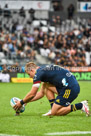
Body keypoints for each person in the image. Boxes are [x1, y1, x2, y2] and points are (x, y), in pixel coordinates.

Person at [14, 62, 90, 116]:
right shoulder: (43, 70)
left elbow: (32, 93)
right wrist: (25, 101)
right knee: (46, 86)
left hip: (69, 88)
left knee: (55, 113)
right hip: (68, 86)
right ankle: (53, 108)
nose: (29, 77)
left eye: (29, 74)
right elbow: (41, 93)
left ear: (32, 70)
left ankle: (80, 105)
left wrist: (21, 102)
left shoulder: (39, 74)